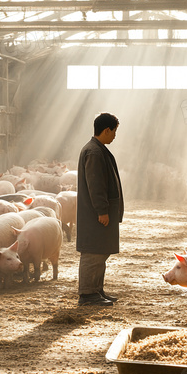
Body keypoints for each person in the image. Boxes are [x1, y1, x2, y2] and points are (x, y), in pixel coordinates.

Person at [76, 112, 124, 306]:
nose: (114, 136)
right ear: (106, 130)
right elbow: (96, 185)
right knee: (93, 252)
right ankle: (87, 294)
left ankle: (96, 290)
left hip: (96, 213)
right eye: (114, 131)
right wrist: (102, 210)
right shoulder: (94, 152)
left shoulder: (97, 149)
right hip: (94, 214)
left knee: (100, 252)